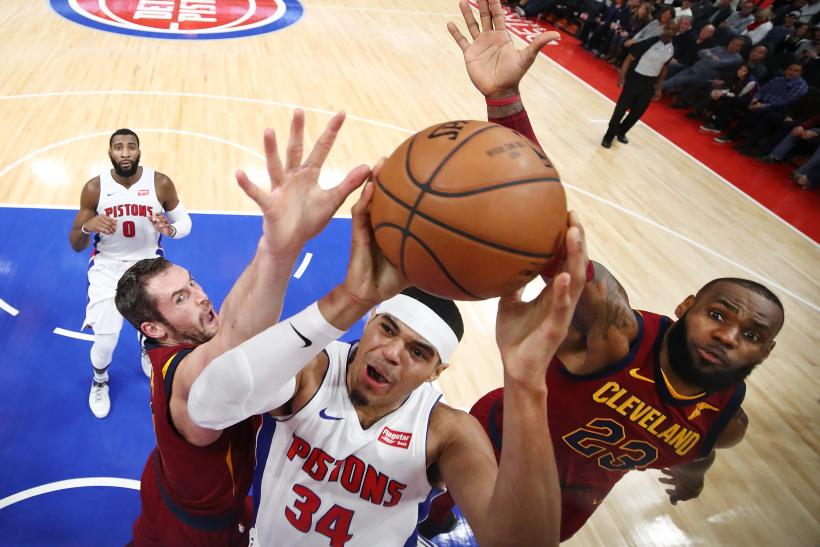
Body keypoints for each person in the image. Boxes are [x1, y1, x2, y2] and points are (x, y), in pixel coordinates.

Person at [186, 7, 587, 544]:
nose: (393, 353)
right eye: (388, 329)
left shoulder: (445, 433)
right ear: (371, 322)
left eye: (419, 353)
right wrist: (347, 299)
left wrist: (526, 383)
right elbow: (208, 404)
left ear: (438, 372)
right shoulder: (313, 371)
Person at [422, 1, 786, 541]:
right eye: (718, 314)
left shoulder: (724, 421)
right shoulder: (613, 331)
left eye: (752, 335)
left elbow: (698, 455)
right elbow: (553, 235)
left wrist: (692, 480)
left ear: (764, 353)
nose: (729, 336)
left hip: (569, 500)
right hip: (489, 441)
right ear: (686, 308)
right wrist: (503, 101)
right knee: (430, 512)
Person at [115, 111, 374, 546]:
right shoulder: (185, 377)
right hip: (196, 533)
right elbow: (234, 342)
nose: (200, 296)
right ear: (155, 329)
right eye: (180, 298)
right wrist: (284, 254)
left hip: (170, 486)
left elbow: (231, 316)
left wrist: (274, 245)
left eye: (191, 282)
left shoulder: (189, 338)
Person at [69, 129, 191, 419]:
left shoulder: (160, 183)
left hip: (147, 265)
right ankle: (100, 381)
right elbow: (75, 243)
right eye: (119, 147)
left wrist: (169, 229)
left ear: (139, 151)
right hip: (108, 268)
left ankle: (144, 347)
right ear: (109, 152)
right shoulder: (94, 188)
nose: (125, 152)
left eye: (131, 147)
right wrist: (88, 227)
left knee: (152, 327)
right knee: (106, 338)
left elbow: (184, 223)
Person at [603, 21, 679, 148]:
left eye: (673, 29)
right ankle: (608, 136)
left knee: (637, 113)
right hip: (635, 78)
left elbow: (664, 68)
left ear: (677, 32)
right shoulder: (650, 42)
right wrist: (622, 77)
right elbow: (629, 59)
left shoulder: (671, 49)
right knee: (620, 110)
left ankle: (621, 132)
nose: (670, 31)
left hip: (649, 82)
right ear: (664, 28)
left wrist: (659, 88)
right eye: (668, 28)